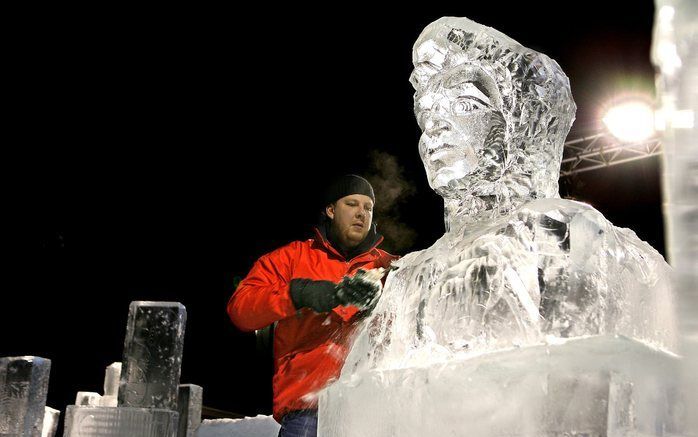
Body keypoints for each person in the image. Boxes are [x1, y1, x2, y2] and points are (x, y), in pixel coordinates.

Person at [227, 174, 398, 437]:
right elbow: (241, 310)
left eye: (368, 207)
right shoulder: (292, 257)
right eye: (352, 204)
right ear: (330, 210)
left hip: (372, 408)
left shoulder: (390, 267)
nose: (361, 213)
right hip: (309, 410)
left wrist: (380, 306)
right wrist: (300, 293)